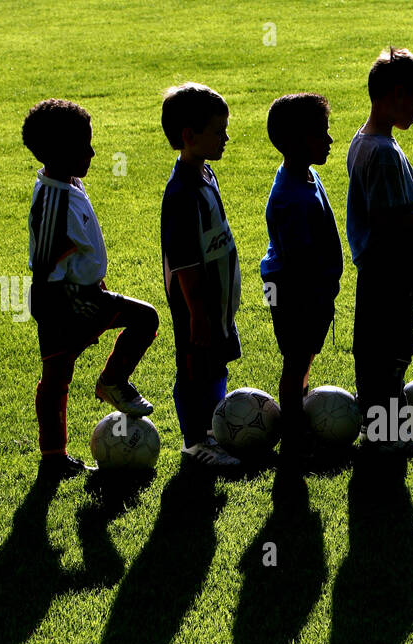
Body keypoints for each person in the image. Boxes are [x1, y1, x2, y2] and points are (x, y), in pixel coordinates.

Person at [22, 99, 158, 479]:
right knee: (58, 378)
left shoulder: (68, 182)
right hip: (66, 303)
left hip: (85, 293)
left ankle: (56, 454)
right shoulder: (54, 201)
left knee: (58, 378)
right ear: (57, 152)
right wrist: (62, 305)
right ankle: (108, 387)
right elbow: (45, 265)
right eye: (83, 146)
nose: (93, 152)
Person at [345, 47, 413, 458]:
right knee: (390, 352)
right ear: (397, 94)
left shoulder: (365, 139)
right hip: (391, 269)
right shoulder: (383, 152)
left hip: (378, 269)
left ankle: (382, 430)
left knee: (378, 351)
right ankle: (391, 438)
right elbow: (392, 226)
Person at [160, 82, 244, 470]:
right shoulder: (180, 193)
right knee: (194, 368)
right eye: (218, 131)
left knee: (216, 364)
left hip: (218, 302)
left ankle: (214, 431)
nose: (226, 137)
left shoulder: (206, 175)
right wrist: (197, 313)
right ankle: (196, 441)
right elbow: (184, 261)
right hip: (198, 305)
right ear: (189, 136)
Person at [259, 93, 343, 466]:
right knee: (295, 359)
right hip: (293, 289)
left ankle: (299, 418)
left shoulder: (306, 174)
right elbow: (299, 261)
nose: (329, 141)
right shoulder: (291, 198)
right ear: (295, 141)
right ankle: (294, 433)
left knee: (303, 355)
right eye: (320, 134)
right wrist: (319, 293)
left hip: (307, 287)